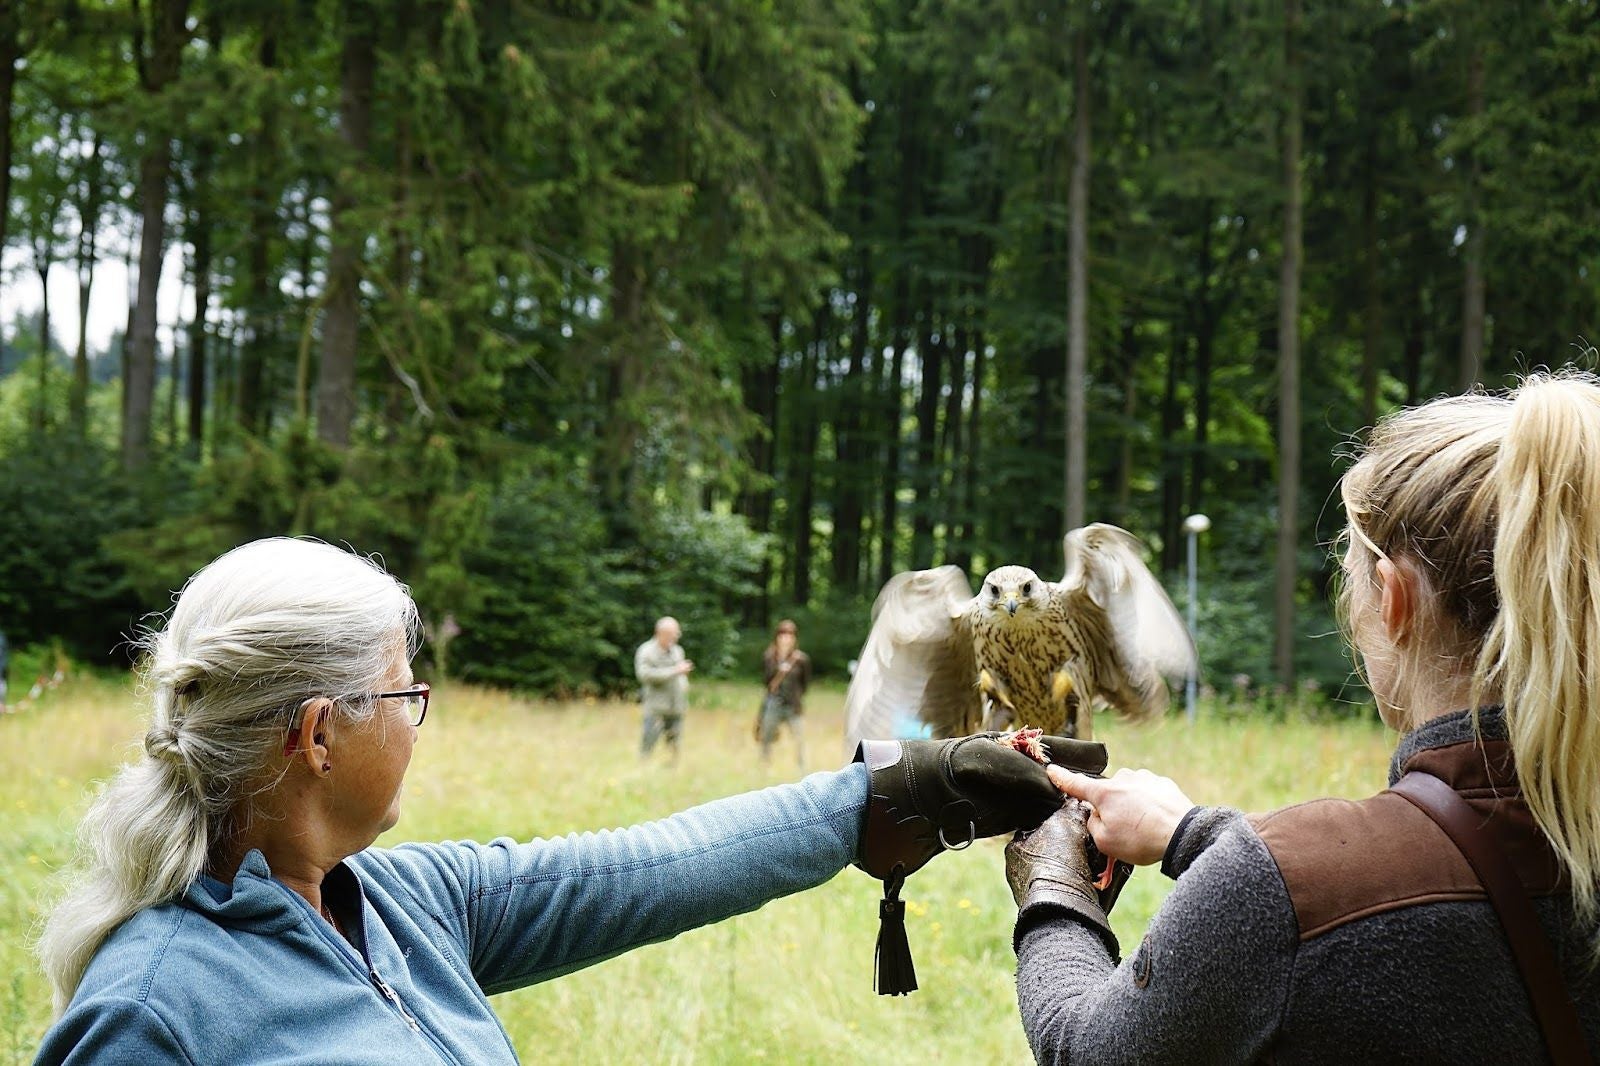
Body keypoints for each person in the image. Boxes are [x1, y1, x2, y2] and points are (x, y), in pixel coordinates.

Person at [33, 537, 1075, 1063]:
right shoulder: (152, 1011)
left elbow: (650, 866)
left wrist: (894, 785)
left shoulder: (403, 905)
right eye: (407, 692)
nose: (419, 716)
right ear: (318, 735)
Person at [1006, 372, 1600, 1063]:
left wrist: (1053, 887)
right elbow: (1424, 867)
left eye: (1347, 579)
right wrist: (1193, 834)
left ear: (1394, 598)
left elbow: (1086, 1054)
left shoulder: (1276, 888)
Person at [635, 615, 691, 761]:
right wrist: (675, 671)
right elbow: (644, 675)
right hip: (656, 707)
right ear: (661, 633)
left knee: (674, 744)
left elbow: (680, 676)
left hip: (676, 706)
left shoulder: (678, 650)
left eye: (677, 633)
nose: (676, 637)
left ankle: (672, 771)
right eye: (673, 634)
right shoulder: (646, 651)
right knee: (649, 740)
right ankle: (644, 767)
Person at [757, 619, 812, 766]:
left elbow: (805, 683)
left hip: (793, 704)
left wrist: (797, 696)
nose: (786, 638)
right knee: (766, 735)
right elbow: (766, 682)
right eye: (782, 634)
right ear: (777, 637)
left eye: (790, 635)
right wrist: (779, 669)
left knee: (799, 737)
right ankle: (765, 764)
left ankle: (802, 767)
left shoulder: (801, 659)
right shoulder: (769, 657)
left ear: (794, 638)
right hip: (774, 702)